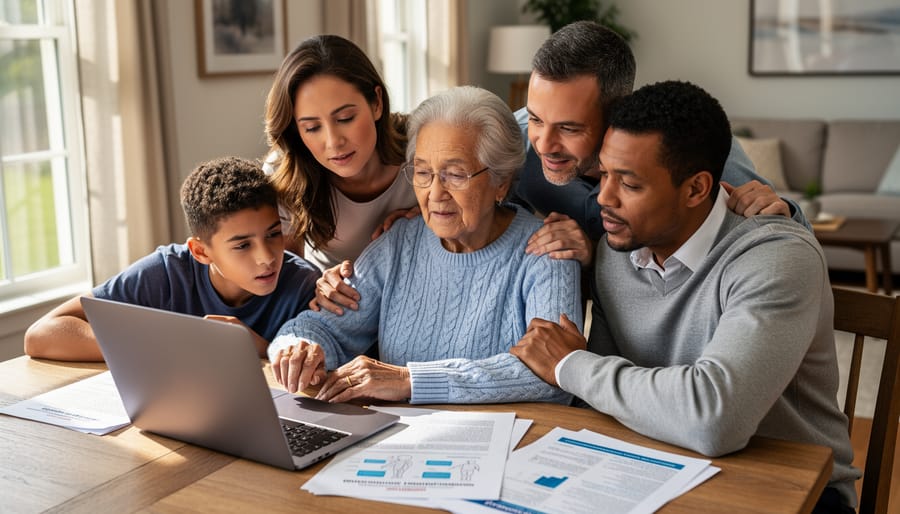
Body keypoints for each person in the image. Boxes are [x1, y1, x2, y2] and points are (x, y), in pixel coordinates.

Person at [510, 81, 859, 513]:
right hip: (662, 471)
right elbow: (596, 401)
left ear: (696, 189)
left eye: (631, 185)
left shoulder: (776, 258)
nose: (603, 198)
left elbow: (714, 418)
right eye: (604, 175)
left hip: (794, 493)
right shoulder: (618, 251)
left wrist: (569, 364)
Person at [268, 86, 581, 405]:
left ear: (500, 181)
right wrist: (299, 348)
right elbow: (320, 326)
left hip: (511, 441)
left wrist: (411, 380)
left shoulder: (549, 251)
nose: (435, 193)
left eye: (455, 175)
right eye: (422, 173)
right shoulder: (399, 242)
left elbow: (553, 372)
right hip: (401, 440)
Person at [516, 21, 810, 267]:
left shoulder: (688, 147)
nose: (545, 145)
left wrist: (783, 211)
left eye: (569, 128)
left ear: (617, 111)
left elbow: (792, 243)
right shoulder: (510, 143)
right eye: (536, 119)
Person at [23, 157, 320, 362]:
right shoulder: (165, 272)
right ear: (201, 251)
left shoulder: (303, 285)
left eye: (273, 234)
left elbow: (326, 377)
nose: (266, 257)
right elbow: (41, 335)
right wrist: (171, 344)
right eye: (242, 245)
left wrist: (255, 348)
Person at [263, 34, 417, 314]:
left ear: (377, 103)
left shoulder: (423, 152)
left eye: (345, 119)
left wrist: (429, 220)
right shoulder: (284, 173)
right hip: (337, 313)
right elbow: (286, 279)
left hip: (413, 304)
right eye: (312, 128)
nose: (333, 142)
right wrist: (316, 284)